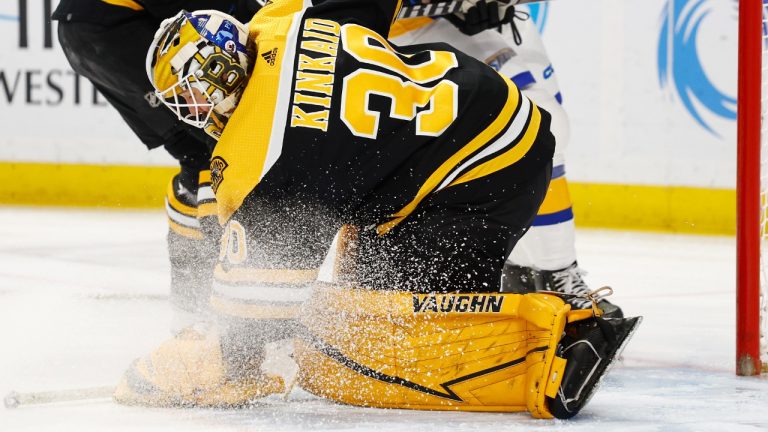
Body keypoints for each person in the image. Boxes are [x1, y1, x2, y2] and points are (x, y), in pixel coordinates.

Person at [114, 1, 640, 419]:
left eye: (192, 99)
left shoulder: (261, 158)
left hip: (481, 180)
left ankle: (562, 345)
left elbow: (256, 320)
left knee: (389, 345)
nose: (195, 114)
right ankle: (521, 286)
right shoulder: (280, 20)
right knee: (357, 282)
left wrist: (211, 356)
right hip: (480, 112)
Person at [389, 3, 623, 317]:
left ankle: (543, 273)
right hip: (380, 29)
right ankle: (540, 271)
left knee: (545, 125)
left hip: (470, 22)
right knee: (532, 120)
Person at [51, 0, 262, 332]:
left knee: (196, 154)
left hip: (92, 29)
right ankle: (220, 303)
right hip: (107, 31)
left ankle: (192, 308)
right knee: (214, 147)